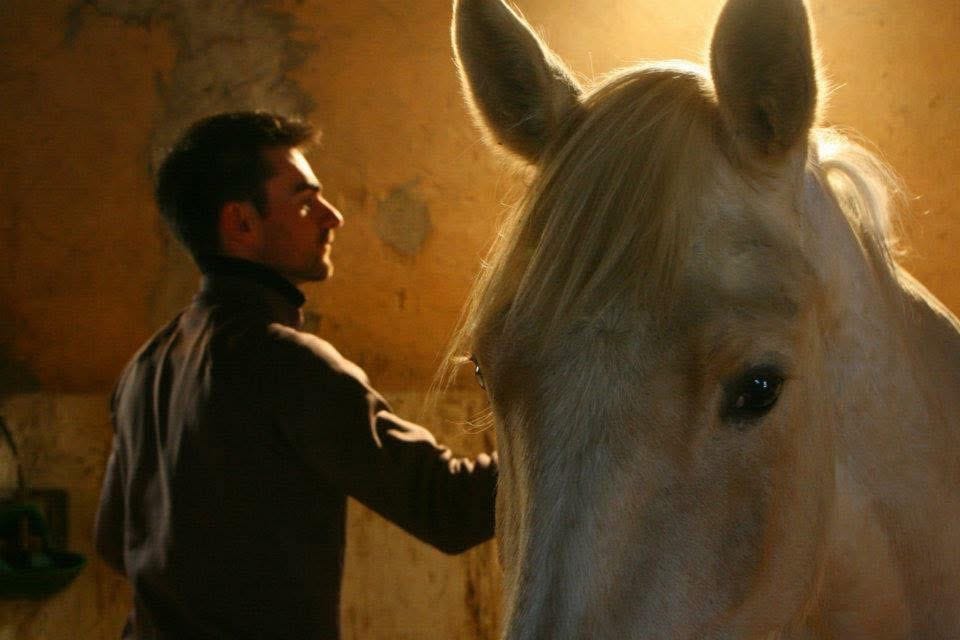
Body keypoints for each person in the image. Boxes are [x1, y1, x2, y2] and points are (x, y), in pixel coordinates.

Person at [94, 111, 497, 639]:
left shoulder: (146, 365)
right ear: (241, 223)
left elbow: (113, 543)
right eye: (306, 201)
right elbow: (447, 507)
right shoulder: (284, 363)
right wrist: (577, 433)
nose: (333, 217)